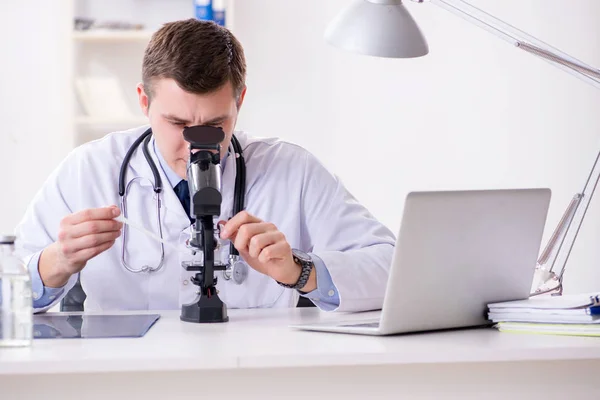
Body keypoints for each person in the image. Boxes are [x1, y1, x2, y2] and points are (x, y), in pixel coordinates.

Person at [14, 19, 395, 314]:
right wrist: (55, 263)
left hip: (255, 372)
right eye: (178, 124)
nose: (196, 145)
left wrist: (300, 270)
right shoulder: (89, 170)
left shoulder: (292, 170)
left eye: (214, 126)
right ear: (143, 102)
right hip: (128, 374)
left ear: (240, 101)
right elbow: (6, 287)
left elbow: (393, 269)